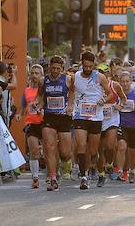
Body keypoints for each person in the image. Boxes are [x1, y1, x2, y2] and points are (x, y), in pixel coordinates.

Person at [72, 51, 112, 190]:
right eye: (85, 66)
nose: (88, 69)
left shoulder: (99, 77)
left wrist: (104, 100)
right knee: (81, 146)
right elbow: (71, 91)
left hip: (96, 116)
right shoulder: (75, 76)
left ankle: (96, 167)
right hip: (79, 115)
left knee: (93, 150)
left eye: (90, 66)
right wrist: (71, 105)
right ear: (82, 64)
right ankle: (84, 176)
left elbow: (111, 93)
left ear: (94, 65)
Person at [37, 56, 73, 191]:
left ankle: (63, 165)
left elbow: (72, 94)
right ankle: (52, 178)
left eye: (58, 69)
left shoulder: (68, 80)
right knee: (49, 147)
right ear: (49, 67)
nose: (55, 71)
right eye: (53, 68)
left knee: (65, 152)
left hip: (63, 118)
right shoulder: (43, 81)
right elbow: (40, 97)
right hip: (49, 117)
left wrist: (70, 105)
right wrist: (37, 105)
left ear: (62, 69)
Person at [16, 64, 45, 189]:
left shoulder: (44, 90)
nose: (34, 76)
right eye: (32, 73)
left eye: (37, 73)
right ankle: (35, 177)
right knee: (34, 151)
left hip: (45, 123)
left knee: (49, 150)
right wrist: (19, 114)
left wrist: (42, 110)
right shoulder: (26, 90)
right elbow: (23, 107)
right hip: (31, 123)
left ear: (42, 75)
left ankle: (53, 174)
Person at [116, 69, 135, 183]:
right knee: (122, 146)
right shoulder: (117, 93)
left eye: (127, 81)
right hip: (122, 124)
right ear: (119, 82)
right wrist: (116, 107)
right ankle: (120, 171)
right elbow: (111, 105)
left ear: (131, 81)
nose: (125, 84)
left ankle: (132, 170)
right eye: (123, 82)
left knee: (133, 150)